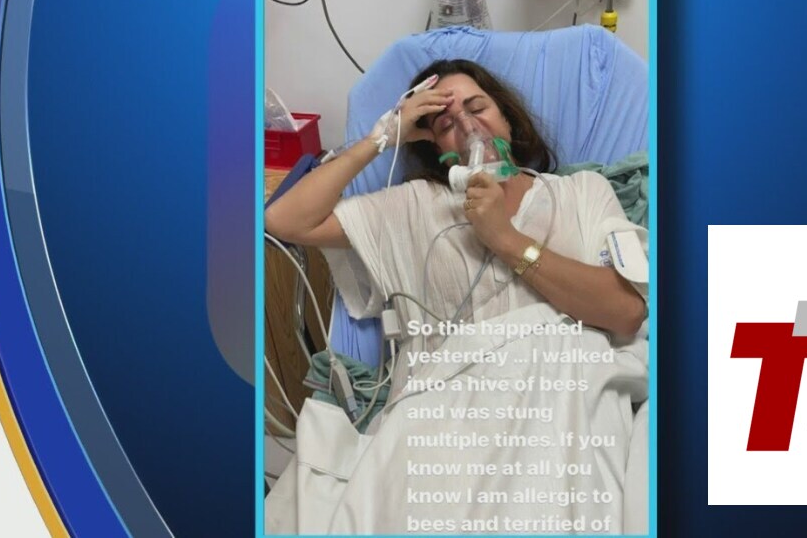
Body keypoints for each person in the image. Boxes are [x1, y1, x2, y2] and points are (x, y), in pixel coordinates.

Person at [263, 59, 649, 534]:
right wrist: (383, 137)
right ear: (435, 146)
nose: (467, 125)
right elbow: (285, 221)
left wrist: (505, 239)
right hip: (445, 408)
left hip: (562, 391)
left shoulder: (581, 192)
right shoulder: (414, 204)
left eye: (478, 107)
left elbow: (625, 313)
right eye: (445, 123)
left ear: (508, 118)